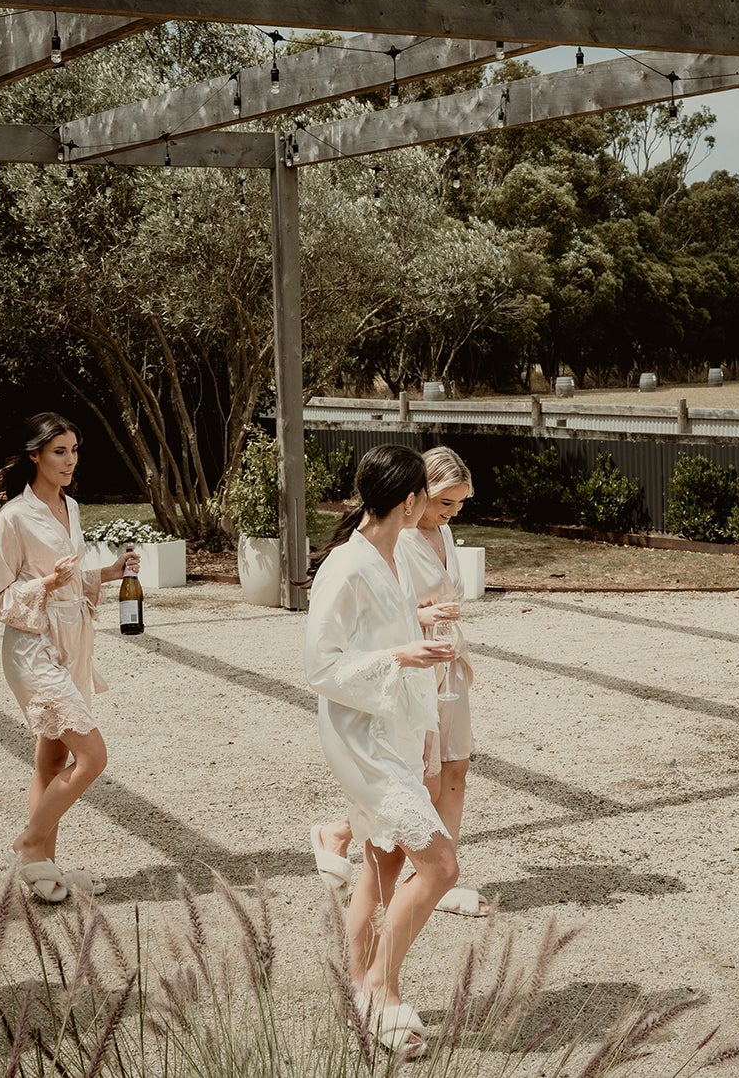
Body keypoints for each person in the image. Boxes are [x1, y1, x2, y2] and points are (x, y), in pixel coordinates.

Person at [305, 444, 459, 1061]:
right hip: (364, 743)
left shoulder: (387, 555)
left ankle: (358, 996)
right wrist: (402, 655)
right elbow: (321, 666)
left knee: (380, 867)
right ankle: (380, 987)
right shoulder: (345, 566)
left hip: (391, 734)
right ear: (408, 501)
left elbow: (377, 628)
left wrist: (417, 621)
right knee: (442, 865)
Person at [311, 447, 490, 917]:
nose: (451, 514)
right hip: (404, 676)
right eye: (444, 502)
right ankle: (418, 871)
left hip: (439, 661)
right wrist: (413, 638)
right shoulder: (380, 549)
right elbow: (346, 647)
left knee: (454, 766)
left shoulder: (435, 536)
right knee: (417, 786)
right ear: (414, 497)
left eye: (459, 504)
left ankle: (433, 879)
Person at [0, 412, 138, 904]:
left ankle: (41, 871)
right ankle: (29, 842)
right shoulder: (12, 517)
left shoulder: (71, 508)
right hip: (33, 648)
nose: (70, 460)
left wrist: (109, 572)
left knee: (51, 760)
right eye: (59, 452)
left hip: (73, 642)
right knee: (93, 756)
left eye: (74, 450)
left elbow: (72, 580)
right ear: (35, 456)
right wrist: (46, 584)